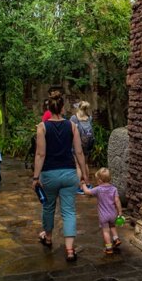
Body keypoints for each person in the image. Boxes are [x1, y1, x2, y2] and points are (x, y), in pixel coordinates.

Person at [33, 91, 89, 261]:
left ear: (48, 108)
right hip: (69, 173)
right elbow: (79, 151)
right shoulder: (72, 126)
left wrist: (36, 178)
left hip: (49, 174)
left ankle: (48, 238)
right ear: (62, 108)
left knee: (48, 207)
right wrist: (85, 175)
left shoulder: (42, 127)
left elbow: (40, 154)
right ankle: (70, 250)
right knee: (69, 211)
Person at [80, 168, 123, 255]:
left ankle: (109, 248)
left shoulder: (98, 189)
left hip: (103, 215)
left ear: (99, 180)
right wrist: (120, 212)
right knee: (113, 226)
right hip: (113, 213)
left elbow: (87, 192)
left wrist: (83, 184)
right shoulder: (114, 189)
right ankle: (116, 239)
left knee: (106, 231)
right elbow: (117, 201)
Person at [71, 101, 95, 194]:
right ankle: (87, 184)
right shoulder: (89, 118)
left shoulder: (74, 118)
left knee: (77, 165)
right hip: (87, 145)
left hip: (77, 144)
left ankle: (79, 186)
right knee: (85, 164)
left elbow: (70, 130)